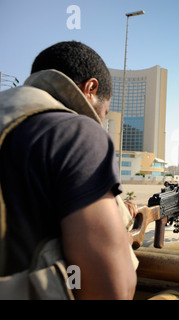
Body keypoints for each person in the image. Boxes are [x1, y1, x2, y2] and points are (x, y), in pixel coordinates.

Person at [0, 41, 137, 299]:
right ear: (90, 89)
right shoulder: (75, 131)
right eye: (104, 113)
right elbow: (112, 290)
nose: (101, 122)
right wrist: (121, 243)